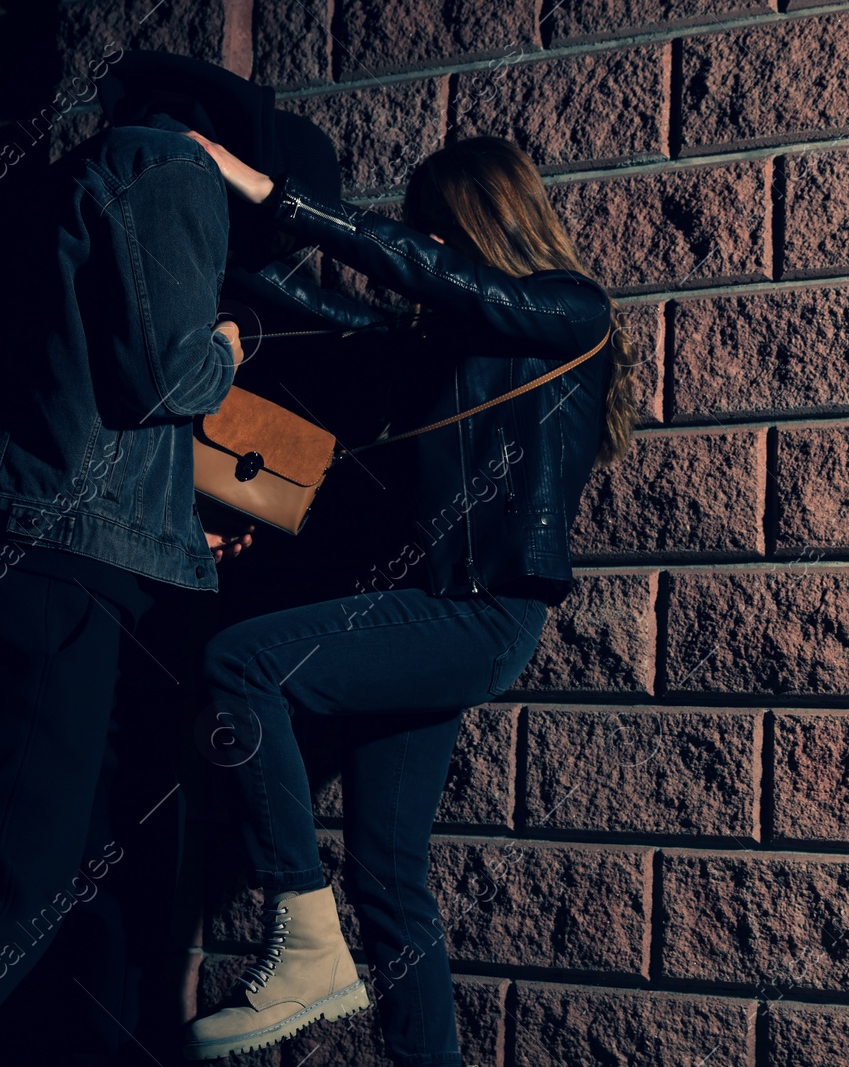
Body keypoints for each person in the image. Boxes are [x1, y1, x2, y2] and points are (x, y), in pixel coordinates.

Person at [0, 53, 343, 1067]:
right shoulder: (168, 168)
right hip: (48, 562)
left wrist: (170, 529)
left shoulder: (91, 179)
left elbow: (73, 404)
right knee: (6, 884)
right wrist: (235, 335)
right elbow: (165, 375)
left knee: (91, 875)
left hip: (52, 553)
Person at [178, 134, 638, 1066]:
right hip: (433, 610)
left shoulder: (572, 312)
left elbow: (435, 277)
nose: (427, 253)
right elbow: (327, 311)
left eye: (439, 232)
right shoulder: (452, 341)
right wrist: (209, 262)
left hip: (479, 614)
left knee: (242, 663)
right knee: (389, 877)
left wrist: (276, 192)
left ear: (481, 220)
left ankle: (305, 944)